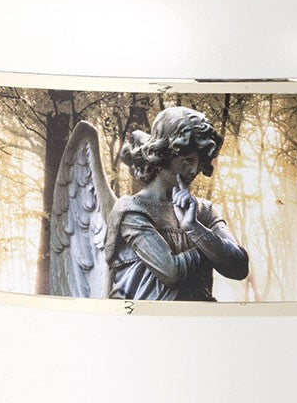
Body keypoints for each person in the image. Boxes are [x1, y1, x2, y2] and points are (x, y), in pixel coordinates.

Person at [107, 107, 249, 301]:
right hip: (146, 315)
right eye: (187, 160)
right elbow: (171, 272)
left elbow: (240, 267)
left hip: (198, 315)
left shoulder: (204, 211)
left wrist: (194, 228)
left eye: (199, 161)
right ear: (164, 154)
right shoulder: (132, 210)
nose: (194, 170)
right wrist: (211, 249)